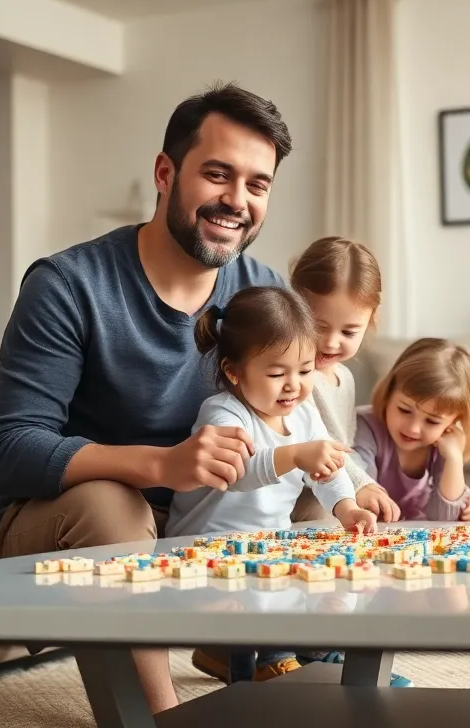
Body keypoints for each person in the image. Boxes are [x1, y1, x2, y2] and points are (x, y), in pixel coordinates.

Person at [0, 82, 387, 714]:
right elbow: (8, 451)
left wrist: (351, 484)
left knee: (321, 499)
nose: (237, 201)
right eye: (217, 175)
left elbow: (297, 415)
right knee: (112, 504)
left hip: (207, 521)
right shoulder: (67, 285)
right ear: (166, 173)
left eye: (258, 184)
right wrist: (161, 464)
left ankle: (305, 668)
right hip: (71, 529)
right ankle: (159, 716)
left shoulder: (264, 290)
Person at [168, 285, 376, 682]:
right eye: (278, 373)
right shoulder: (223, 413)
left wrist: (347, 507)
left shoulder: (302, 415)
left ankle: (303, 652)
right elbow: (237, 473)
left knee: (333, 572)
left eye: (305, 370)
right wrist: (296, 455)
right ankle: (271, 658)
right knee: (274, 583)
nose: (294, 385)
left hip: (267, 541)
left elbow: (328, 472)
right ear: (234, 371)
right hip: (206, 544)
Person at [288, 236, 470, 521]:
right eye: (319, 326)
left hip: (333, 488)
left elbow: (345, 449)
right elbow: (317, 445)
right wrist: (361, 485)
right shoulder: (297, 376)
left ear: (371, 322)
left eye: (348, 332)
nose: (331, 343)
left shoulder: (344, 377)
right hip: (311, 494)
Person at [355, 337, 470, 521]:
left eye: (432, 421)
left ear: (453, 421)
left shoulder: (441, 444)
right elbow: (364, 500)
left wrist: (454, 460)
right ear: (389, 392)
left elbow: (443, 519)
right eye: (404, 410)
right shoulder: (365, 427)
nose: (413, 428)